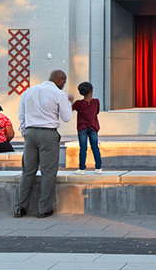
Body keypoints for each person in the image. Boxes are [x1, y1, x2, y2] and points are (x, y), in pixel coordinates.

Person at [14, 69, 71, 218]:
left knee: (27, 171)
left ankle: (20, 207)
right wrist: (69, 103)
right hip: (48, 133)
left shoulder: (29, 91)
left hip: (30, 133)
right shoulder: (59, 94)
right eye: (63, 82)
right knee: (48, 172)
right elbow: (66, 117)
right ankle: (43, 209)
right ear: (60, 80)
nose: (64, 85)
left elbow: (21, 114)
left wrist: (25, 132)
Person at [72, 81, 102, 171]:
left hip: (82, 127)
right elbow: (97, 112)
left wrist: (70, 101)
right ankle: (98, 168)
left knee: (83, 148)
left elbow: (70, 109)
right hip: (93, 127)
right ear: (91, 91)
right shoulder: (96, 102)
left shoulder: (78, 103)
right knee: (95, 147)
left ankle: (82, 169)